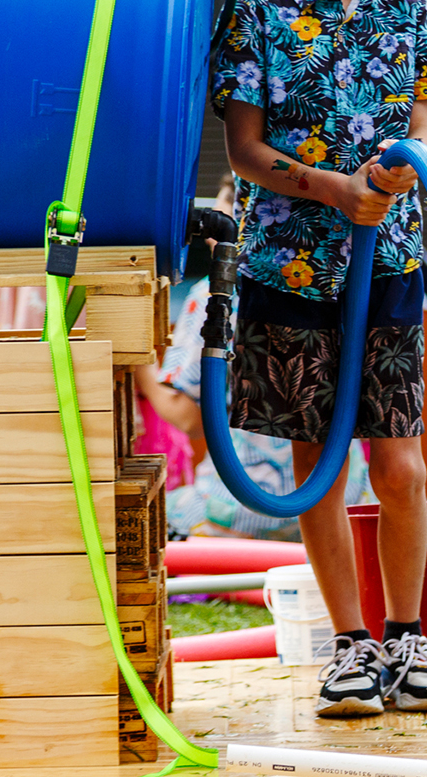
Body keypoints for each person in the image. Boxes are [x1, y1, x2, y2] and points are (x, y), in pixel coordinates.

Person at [212, 0, 427, 718]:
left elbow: (424, 130)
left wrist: (406, 173)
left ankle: (408, 637)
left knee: (401, 464)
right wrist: (332, 188)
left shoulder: (408, 13)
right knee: (318, 464)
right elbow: (245, 151)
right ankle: (351, 645)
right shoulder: (256, 13)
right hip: (288, 267)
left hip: (389, 264)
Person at [141, 182, 374, 541]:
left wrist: (140, 366)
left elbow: (190, 419)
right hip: (346, 499)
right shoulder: (336, 281)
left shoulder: (214, 294)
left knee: (150, 513)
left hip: (242, 508)